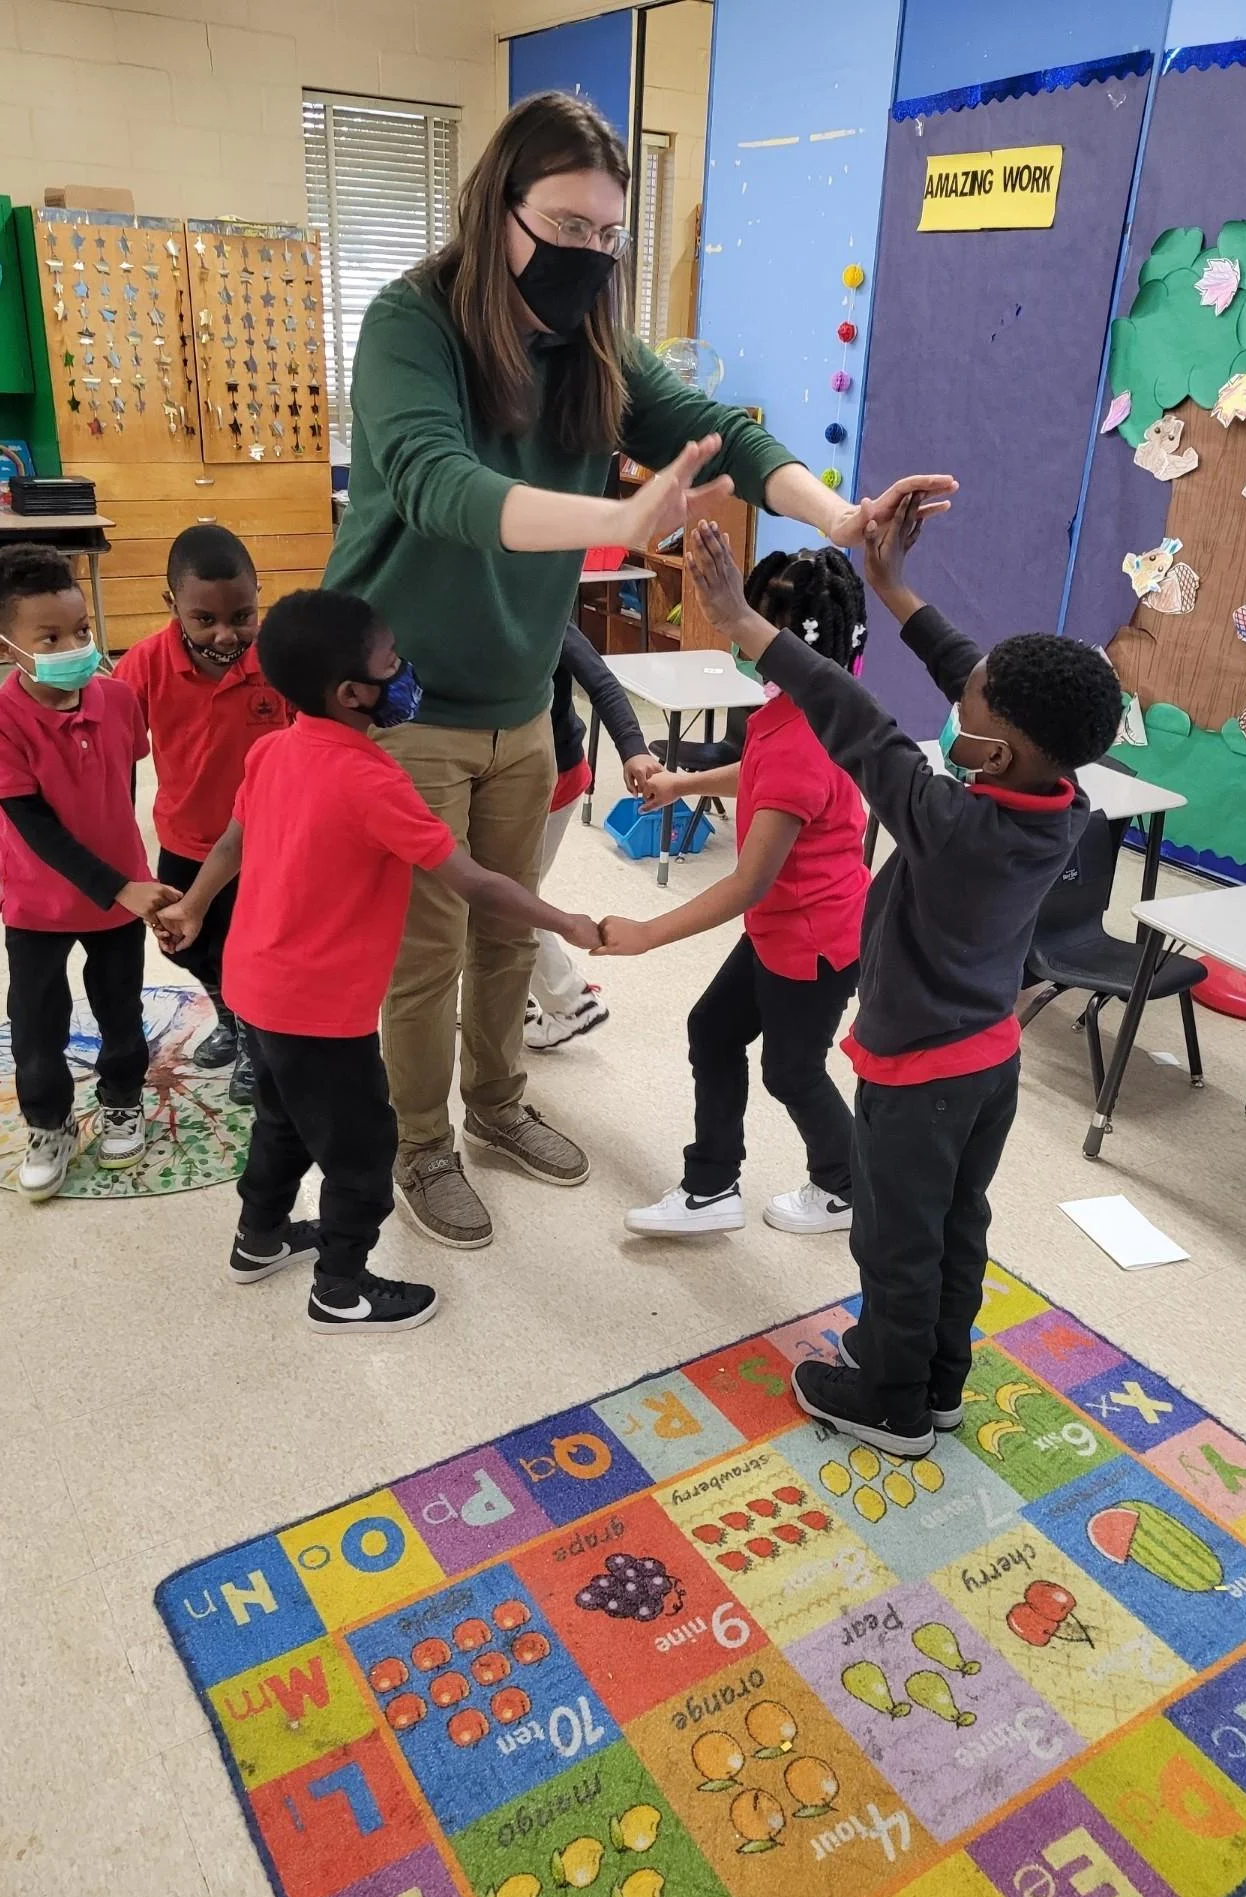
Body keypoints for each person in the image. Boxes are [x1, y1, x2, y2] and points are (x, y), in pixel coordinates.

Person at [324, 85, 956, 1251]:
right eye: (567, 229)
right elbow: (433, 482)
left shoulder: (595, 345)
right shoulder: (413, 320)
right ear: (496, 209)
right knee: (426, 950)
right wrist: (614, 525)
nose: (590, 256)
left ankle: (500, 1103)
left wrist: (843, 515)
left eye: (610, 236)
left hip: (520, 696)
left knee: (513, 932)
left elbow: (735, 433)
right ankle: (421, 1143)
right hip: (401, 701)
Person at [681, 509, 1122, 1456]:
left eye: (973, 707)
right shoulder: (1058, 795)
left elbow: (857, 724)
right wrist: (892, 587)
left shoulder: (955, 827)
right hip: (987, 1065)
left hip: (917, 1074)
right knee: (958, 1228)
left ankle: (891, 1400)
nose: (960, 702)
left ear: (995, 752)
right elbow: (969, 673)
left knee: (896, 1244)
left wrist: (745, 623)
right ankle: (939, 1380)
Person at [155, 589, 600, 1328]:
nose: (404, 671)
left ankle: (258, 1240)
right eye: (391, 663)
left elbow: (233, 840)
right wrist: (567, 921)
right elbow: (476, 881)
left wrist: (196, 903)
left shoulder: (271, 751)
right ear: (352, 693)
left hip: (254, 991)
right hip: (324, 1015)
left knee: (281, 1122)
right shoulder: (374, 781)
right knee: (364, 1152)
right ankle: (342, 1287)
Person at [597, 549, 871, 1237]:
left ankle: (845, 1188)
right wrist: (684, 784)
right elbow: (764, 777)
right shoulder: (820, 699)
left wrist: (648, 934)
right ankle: (712, 1187)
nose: (736, 630)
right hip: (792, 926)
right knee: (713, 1030)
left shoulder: (801, 737)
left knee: (792, 1071)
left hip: (812, 940)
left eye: (747, 620)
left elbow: (750, 881)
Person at [0, 545, 178, 1200]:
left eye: (81, 631)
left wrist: (128, 873)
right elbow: (35, 829)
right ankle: (48, 1126)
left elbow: (120, 780)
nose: (75, 646)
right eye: (50, 637)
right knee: (37, 1024)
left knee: (120, 1009)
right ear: (7, 647)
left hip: (118, 901)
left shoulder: (117, 700)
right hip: (38, 907)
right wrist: (121, 883)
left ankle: (121, 1102)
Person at [114, 525, 287, 1106]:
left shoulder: (279, 664)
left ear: (260, 595)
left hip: (266, 846)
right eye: (203, 619)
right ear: (172, 607)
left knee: (254, 957)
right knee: (189, 946)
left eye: (243, 615)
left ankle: (256, 1046)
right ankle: (230, 1019)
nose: (225, 634)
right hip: (185, 840)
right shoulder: (142, 665)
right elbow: (112, 749)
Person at [523, 622, 658, 1052]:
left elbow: (601, 681)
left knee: (509, 897)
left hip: (552, 780)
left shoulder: (546, 612)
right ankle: (510, 994)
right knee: (495, 893)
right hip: (500, 778)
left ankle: (571, 1003)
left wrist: (634, 747)